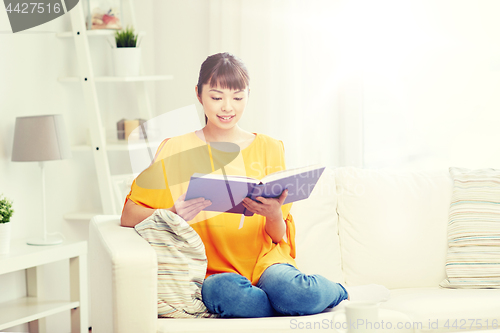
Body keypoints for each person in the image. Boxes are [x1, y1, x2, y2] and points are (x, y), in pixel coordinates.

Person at [121, 52, 389, 318]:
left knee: (297, 292)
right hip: (213, 273)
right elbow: (128, 214)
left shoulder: (270, 148)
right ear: (198, 94)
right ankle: (278, 305)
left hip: (267, 264)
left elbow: (277, 235)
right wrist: (172, 213)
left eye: (238, 97)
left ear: (248, 94)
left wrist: (273, 214)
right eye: (216, 97)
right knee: (223, 292)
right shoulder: (174, 149)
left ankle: (341, 292)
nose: (228, 107)